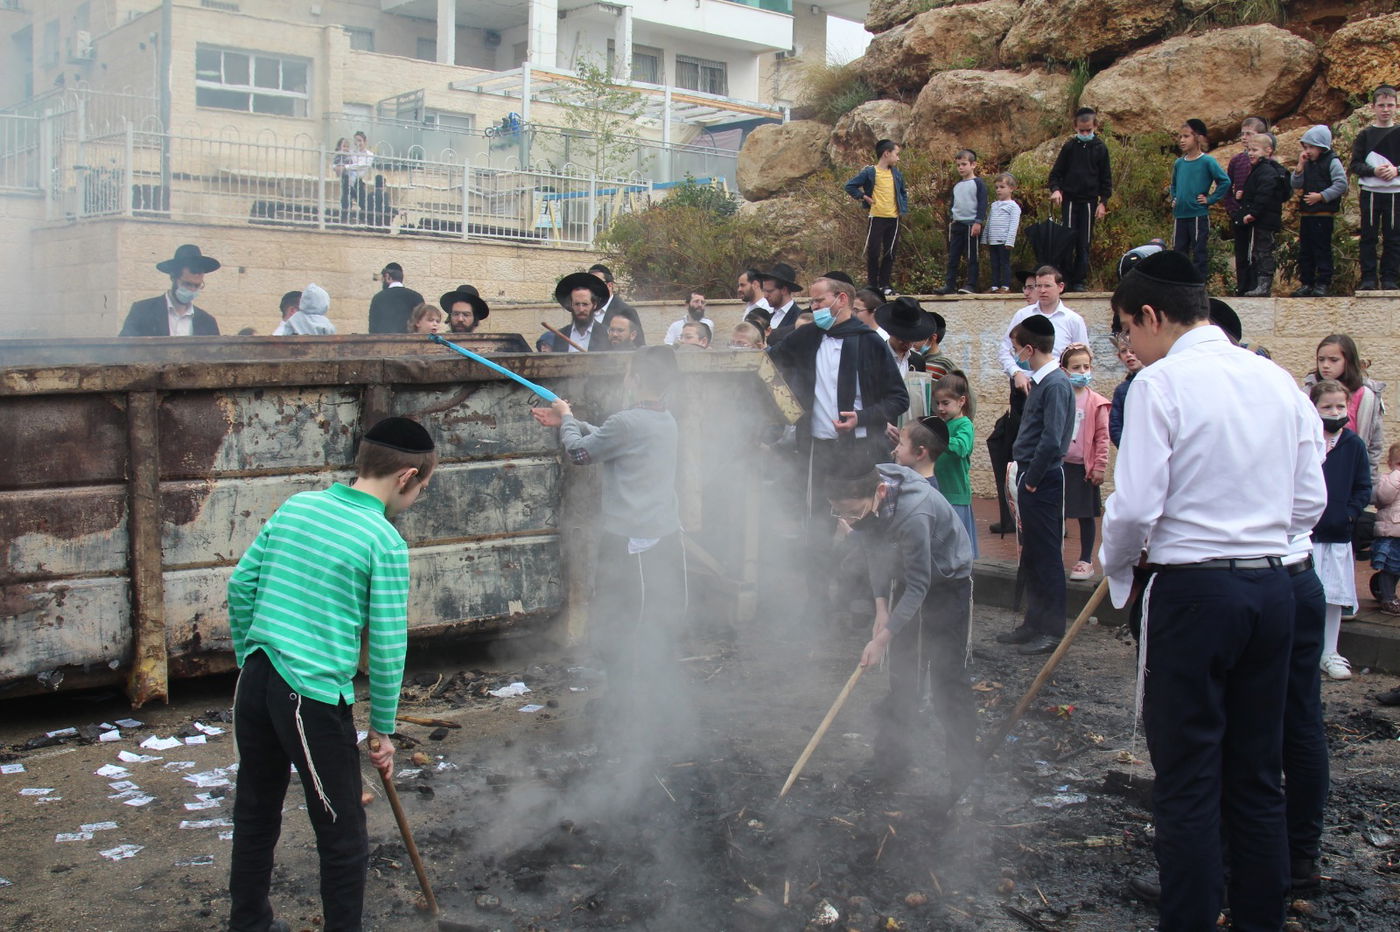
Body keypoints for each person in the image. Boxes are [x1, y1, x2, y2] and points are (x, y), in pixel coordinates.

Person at [1100, 249, 1326, 932]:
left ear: (1149, 315)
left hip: (1193, 593)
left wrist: (1118, 568)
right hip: (1271, 587)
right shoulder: (1277, 379)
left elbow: (1135, 508)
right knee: (1256, 773)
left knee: (1189, 779)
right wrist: (1250, 533)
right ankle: (1260, 919)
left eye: (1125, 332)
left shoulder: (1162, 385)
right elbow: (1307, 500)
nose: (1127, 348)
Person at [227, 416, 436, 932]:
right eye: (423, 487)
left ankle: (248, 924)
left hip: (255, 681)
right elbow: (387, 647)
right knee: (343, 833)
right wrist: (382, 729)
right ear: (406, 476)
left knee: (256, 811)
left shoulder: (298, 506)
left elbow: (239, 588)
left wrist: (249, 657)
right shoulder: (382, 541)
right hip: (310, 700)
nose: (417, 498)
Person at [529, 346, 685, 740]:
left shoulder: (628, 421)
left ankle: (629, 709)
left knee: (622, 626)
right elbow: (606, 438)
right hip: (658, 537)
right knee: (644, 623)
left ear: (633, 378)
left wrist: (566, 420)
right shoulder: (661, 419)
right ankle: (641, 701)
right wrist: (569, 420)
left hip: (634, 542)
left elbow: (580, 453)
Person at [830, 462, 975, 789]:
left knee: (947, 683)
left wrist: (882, 639)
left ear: (879, 492)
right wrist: (882, 607)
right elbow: (874, 550)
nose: (850, 521)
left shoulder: (914, 512)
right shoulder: (868, 486)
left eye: (853, 513)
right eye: (843, 515)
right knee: (902, 677)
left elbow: (920, 585)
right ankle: (891, 764)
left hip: (946, 584)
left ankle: (963, 778)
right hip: (908, 580)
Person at [988, 266, 1089, 534]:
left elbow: (1082, 355)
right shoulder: (1023, 315)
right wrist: (1017, 372)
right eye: (1036, 286)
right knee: (1021, 445)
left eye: (1046, 286)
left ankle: (1054, 515)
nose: (1041, 291)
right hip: (1026, 388)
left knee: (1051, 446)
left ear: (1060, 287)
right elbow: (1006, 349)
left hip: (1055, 386)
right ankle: (1017, 514)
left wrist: (1032, 480)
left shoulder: (1072, 319)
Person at [996, 313, 1074, 655]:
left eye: (1016, 349)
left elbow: (1053, 439)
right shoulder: (1043, 382)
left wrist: (1031, 480)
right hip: (1032, 475)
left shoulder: (1055, 384)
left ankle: (1051, 629)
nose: (1014, 355)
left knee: (1046, 556)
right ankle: (1034, 622)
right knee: (1032, 554)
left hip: (1041, 479)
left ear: (1029, 348)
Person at [1310, 379, 1372, 681]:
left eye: (1340, 405)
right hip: (1306, 535)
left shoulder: (1353, 445)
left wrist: (1348, 515)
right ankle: (1304, 650)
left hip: (1336, 534)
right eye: (1327, 406)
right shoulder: (1307, 441)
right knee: (1306, 595)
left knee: (1332, 597)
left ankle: (1329, 651)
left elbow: (1363, 487)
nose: (1335, 411)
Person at [1059, 343, 1109, 581]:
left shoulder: (1096, 402)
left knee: (1085, 515)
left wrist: (1099, 465)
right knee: (1056, 513)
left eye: (1086, 366)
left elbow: (1102, 437)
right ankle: (1053, 555)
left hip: (1083, 468)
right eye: (1076, 367)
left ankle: (1086, 559)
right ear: (1065, 370)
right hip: (1059, 466)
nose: (1082, 371)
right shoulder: (1059, 396)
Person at [1048, 107, 1113, 292]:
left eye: (1088, 131)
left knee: (1084, 242)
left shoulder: (1100, 148)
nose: (1085, 134)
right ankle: (1065, 280)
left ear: (1095, 127)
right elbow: (1056, 174)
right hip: (1069, 200)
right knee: (1067, 239)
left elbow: (1106, 179)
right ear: (1075, 127)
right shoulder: (1069, 147)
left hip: (1089, 201)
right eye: (1081, 131)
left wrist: (1103, 202)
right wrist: (1056, 190)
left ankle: (1079, 280)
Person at [1305, 333, 1386, 476]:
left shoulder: (1366, 396)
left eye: (1333, 360)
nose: (1325, 365)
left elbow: (1374, 444)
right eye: (1321, 359)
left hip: (1350, 470)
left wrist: (1369, 480)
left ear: (1347, 361)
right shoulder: (1308, 392)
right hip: (1314, 468)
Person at [1350, 84, 1400, 291]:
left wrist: (1397, 170)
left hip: (1395, 192)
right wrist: (1374, 171)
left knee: (1394, 237)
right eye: (1382, 105)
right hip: (1370, 192)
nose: (1386, 109)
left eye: (1390, 105)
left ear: (1396, 107)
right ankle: (1368, 278)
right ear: (1373, 107)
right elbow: (1355, 164)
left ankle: (1390, 278)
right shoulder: (1365, 135)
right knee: (1369, 236)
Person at [1290, 124, 1348, 297]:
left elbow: (1341, 184)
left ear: (1322, 147)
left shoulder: (1332, 161)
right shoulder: (1307, 163)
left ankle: (1323, 282)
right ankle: (1306, 282)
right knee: (1305, 250)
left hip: (1323, 214)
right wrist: (1299, 167)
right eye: (1306, 147)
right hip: (1307, 214)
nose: (1308, 151)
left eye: (1312, 147)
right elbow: (1295, 184)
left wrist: (1322, 196)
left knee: (1321, 248)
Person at [843, 138, 907, 296]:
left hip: (894, 218)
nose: (898, 158)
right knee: (873, 251)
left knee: (890, 251)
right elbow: (849, 186)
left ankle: (885, 284)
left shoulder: (896, 174)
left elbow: (903, 193)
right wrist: (863, 196)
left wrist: (903, 208)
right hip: (876, 217)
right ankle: (872, 285)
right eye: (896, 154)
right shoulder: (870, 172)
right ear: (886, 153)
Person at [1170, 118, 1229, 280]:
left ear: (1197, 137)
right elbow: (1173, 185)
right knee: (1179, 252)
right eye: (1180, 137)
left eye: (1186, 136)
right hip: (1180, 215)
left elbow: (1224, 181)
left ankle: (1198, 285)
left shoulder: (1207, 161)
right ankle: (1178, 283)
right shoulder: (1179, 163)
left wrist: (1210, 199)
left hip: (1197, 215)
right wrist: (1174, 198)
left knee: (1199, 252)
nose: (1182, 140)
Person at [120, 244, 222, 337]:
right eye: (187, 284)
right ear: (173, 277)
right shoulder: (142, 311)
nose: (192, 290)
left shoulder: (207, 322)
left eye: (197, 286)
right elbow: (124, 350)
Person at [1237, 132, 1290, 297]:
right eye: (1249, 150)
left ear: (1268, 151)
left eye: (1255, 150)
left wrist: (1253, 212)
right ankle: (1255, 284)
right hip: (1260, 220)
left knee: (1263, 251)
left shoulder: (1267, 170)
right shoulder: (1258, 169)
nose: (1250, 153)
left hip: (1264, 220)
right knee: (1256, 251)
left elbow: (1264, 194)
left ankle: (1264, 284)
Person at [932, 371, 977, 558]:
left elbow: (961, 447)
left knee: (956, 551)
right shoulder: (941, 423)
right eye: (938, 403)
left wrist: (937, 438)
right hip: (939, 492)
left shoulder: (964, 425)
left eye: (946, 403)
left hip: (956, 495)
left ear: (961, 401)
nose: (940, 408)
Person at [1223, 116, 1269, 294]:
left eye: (1249, 134)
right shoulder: (1237, 161)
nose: (1244, 137)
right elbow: (1228, 185)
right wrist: (1231, 207)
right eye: (1242, 134)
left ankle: (1256, 285)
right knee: (1241, 252)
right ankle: (1242, 287)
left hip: (1257, 213)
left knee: (1257, 251)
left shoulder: (1265, 163)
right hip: (1238, 212)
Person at [942, 149, 987, 294]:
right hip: (957, 225)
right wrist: (951, 218)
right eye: (958, 165)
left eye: (964, 164)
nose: (961, 167)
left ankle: (971, 284)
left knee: (971, 257)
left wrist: (978, 222)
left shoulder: (978, 183)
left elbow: (982, 203)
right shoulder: (957, 185)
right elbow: (954, 204)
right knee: (953, 257)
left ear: (973, 165)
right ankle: (949, 285)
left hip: (971, 225)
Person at [539, 272, 612, 352]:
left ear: (594, 305)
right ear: (571, 305)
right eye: (577, 304)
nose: (581, 309)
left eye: (585, 304)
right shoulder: (560, 336)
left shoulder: (606, 335)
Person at [1371, 442, 1400, 615]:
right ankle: (1388, 597)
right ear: (1390, 464)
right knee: (1390, 567)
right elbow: (1383, 497)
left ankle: (1383, 590)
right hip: (1390, 531)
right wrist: (1397, 475)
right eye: (1399, 464)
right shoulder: (1386, 479)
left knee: (1396, 568)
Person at [874, 296, 935, 374]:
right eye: (902, 337)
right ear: (889, 331)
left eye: (912, 338)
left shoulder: (918, 361)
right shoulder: (873, 358)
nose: (908, 343)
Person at [983, 172, 1022, 293]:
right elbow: (989, 222)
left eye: (1002, 187)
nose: (998, 190)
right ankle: (994, 286)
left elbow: (1013, 225)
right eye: (996, 187)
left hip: (1004, 240)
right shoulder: (994, 205)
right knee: (994, 264)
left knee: (1004, 263)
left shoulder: (1013, 207)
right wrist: (984, 238)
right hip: (993, 240)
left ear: (1011, 188)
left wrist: (1010, 241)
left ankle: (1005, 286)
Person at [367, 262, 424, 334]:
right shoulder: (417, 297)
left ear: (388, 277)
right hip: (413, 344)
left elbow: (373, 330)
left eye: (382, 279)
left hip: (384, 343)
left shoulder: (378, 298)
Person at [1108, 334, 1142, 447]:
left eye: (1132, 351)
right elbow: (1115, 426)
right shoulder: (1122, 390)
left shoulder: (1157, 381)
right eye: (1124, 351)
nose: (1128, 355)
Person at [759, 262, 802, 335]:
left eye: (770, 291)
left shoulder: (799, 318)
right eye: (764, 291)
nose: (765, 296)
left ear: (784, 290)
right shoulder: (767, 317)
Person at [340, 130, 372, 219]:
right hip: (348, 180)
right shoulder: (351, 152)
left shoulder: (369, 155)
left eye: (360, 140)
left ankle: (365, 221)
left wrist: (347, 167)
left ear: (365, 141)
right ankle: (344, 220)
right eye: (356, 141)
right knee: (345, 203)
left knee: (364, 203)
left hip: (358, 181)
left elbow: (361, 165)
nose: (358, 143)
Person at [921, 312, 954, 381]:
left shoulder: (945, 365)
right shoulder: (913, 360)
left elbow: (964, 390)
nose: (914, 340)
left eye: (920, 336)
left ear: (933, 338)